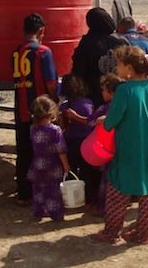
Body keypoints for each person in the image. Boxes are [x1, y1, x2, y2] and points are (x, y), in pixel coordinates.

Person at [97, 46, 148, 245]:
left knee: (119, 190)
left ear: (128, 68)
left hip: (130, 148)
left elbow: (113, 120)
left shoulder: (124, 90)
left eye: (118, 64)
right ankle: (143, 235)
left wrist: (103, 121)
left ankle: (111, 233)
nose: (115, 67)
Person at [12, 13, 58, 206]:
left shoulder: (16, 52)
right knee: (43, 153)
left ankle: (23, 193)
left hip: (21, 109)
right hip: (40, 113)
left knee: (23, 151)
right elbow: (51, 83)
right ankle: (41, 193)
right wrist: (54, 103)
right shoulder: (43, 52)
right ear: (41, 31)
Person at [71, 7, 129, 107]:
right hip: (121, 93)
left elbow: (78, 71)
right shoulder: (122, 40)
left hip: (95, 95)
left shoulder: (87, 42)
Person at [58, 73, 100, 205]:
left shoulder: (64, 107)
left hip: (70, 142)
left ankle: (72, 198)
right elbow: (93, 122)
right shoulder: (88, 103)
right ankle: (88, 197)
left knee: (70, 170)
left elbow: (61, 127)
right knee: (87, 172)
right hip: (86, 142)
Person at [27, 95, 69, 221]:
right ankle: (56, 213)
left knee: (38, 189)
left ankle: (39, 211)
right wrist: (66, 165)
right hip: (52, 166)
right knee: (53, 191)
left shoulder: (33, 128)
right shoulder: (55, 130)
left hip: (37, 163)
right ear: (51, 112)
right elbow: (61, 149)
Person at [89, 73, 121, 217]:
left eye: (103, 90)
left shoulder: (104, 109)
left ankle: (103, 207)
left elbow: (90, 121)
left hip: (107, 149)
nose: (101, 93)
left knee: (106, 180)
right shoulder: (123, 107)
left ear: (111, 91)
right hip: (122, 148)